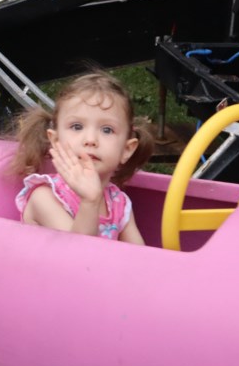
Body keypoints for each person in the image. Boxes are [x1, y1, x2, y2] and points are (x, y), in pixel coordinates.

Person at [11, 71, 153, 243]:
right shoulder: (45, 197)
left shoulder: (119, 203)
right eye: (77, 127)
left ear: (126, 150)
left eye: (107, 130)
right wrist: (89, 202)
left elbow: (139, 257)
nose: (90, 140)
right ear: (55, 141)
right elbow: (78, 256)